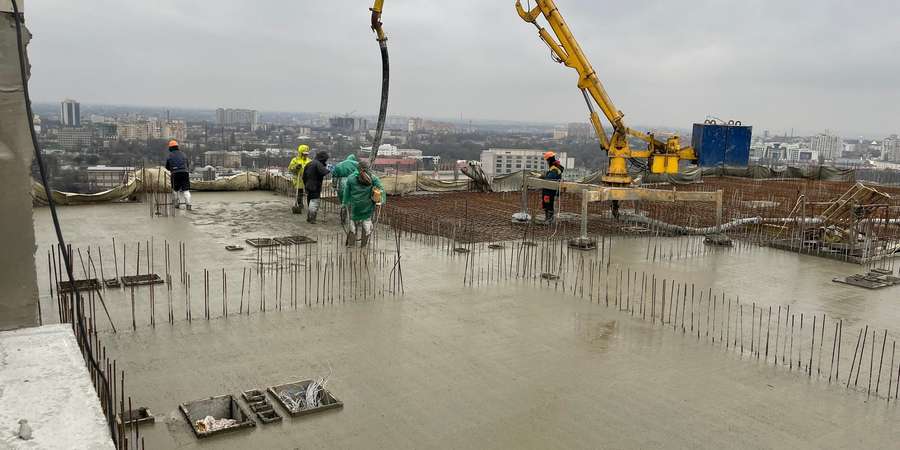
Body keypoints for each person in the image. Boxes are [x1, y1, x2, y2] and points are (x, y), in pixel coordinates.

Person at [341, 160, 384, 247]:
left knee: (352, 224)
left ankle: (351, 244)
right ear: (368, 168)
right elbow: (380, 190)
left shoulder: (351, 178)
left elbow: (346, 193)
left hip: (355, 206)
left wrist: (344, 203)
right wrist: (380, 200)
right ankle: (363, 245)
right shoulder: (373, 178)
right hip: (367, 206)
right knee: (366, 224)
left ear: (358, 168)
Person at [301, 150, 330, 223]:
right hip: (315, 186)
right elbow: (324, 172)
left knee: (310, 201)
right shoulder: (318, 164)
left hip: (308, 185)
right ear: (322, 158)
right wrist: (329, 169)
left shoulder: (309, 163)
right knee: (314, 201)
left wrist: (306, 184)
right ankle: (312, 218)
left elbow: (303, 176)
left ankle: (309, 217)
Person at [330, 154, 359, 224]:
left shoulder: (339, 165)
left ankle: (343, 219)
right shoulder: (357, 164)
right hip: (353, 183)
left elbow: (334, 177)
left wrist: (334, 186)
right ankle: (355, 220)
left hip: (342, 183)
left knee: (343, 202)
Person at [165, 140, 192, 210]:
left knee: (175, 190)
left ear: (170, 148)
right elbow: (187, 165)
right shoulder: (183, 154)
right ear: (177, 147)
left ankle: (177, 205)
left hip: (175, 174)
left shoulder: (170, 156)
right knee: (186, 190)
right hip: (185, 173)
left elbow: (167, 167)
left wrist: (172, 168)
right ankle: (188, 205)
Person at [540, 150, 564, 223]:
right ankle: (547, 218)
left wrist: (543, 176)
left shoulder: (555, 169)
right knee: (546, 203)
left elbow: (550, 179)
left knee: (548, 204)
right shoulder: (554, 167)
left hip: (550, 190)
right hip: (548, 190)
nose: (547, 162)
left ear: (549, 160)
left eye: (547, 160)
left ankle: (549, 219)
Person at [288, 145, 311, 214]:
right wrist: (296, 167)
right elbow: (290, 169)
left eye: (306, 154)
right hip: (298, 178)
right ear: (300, 153)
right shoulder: (295, 160)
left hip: (307, 178)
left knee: (308, 192)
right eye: (304, 154)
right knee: (299, 192)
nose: (305, 155)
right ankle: (299, 204)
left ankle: (310, 205)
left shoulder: (309, 161)